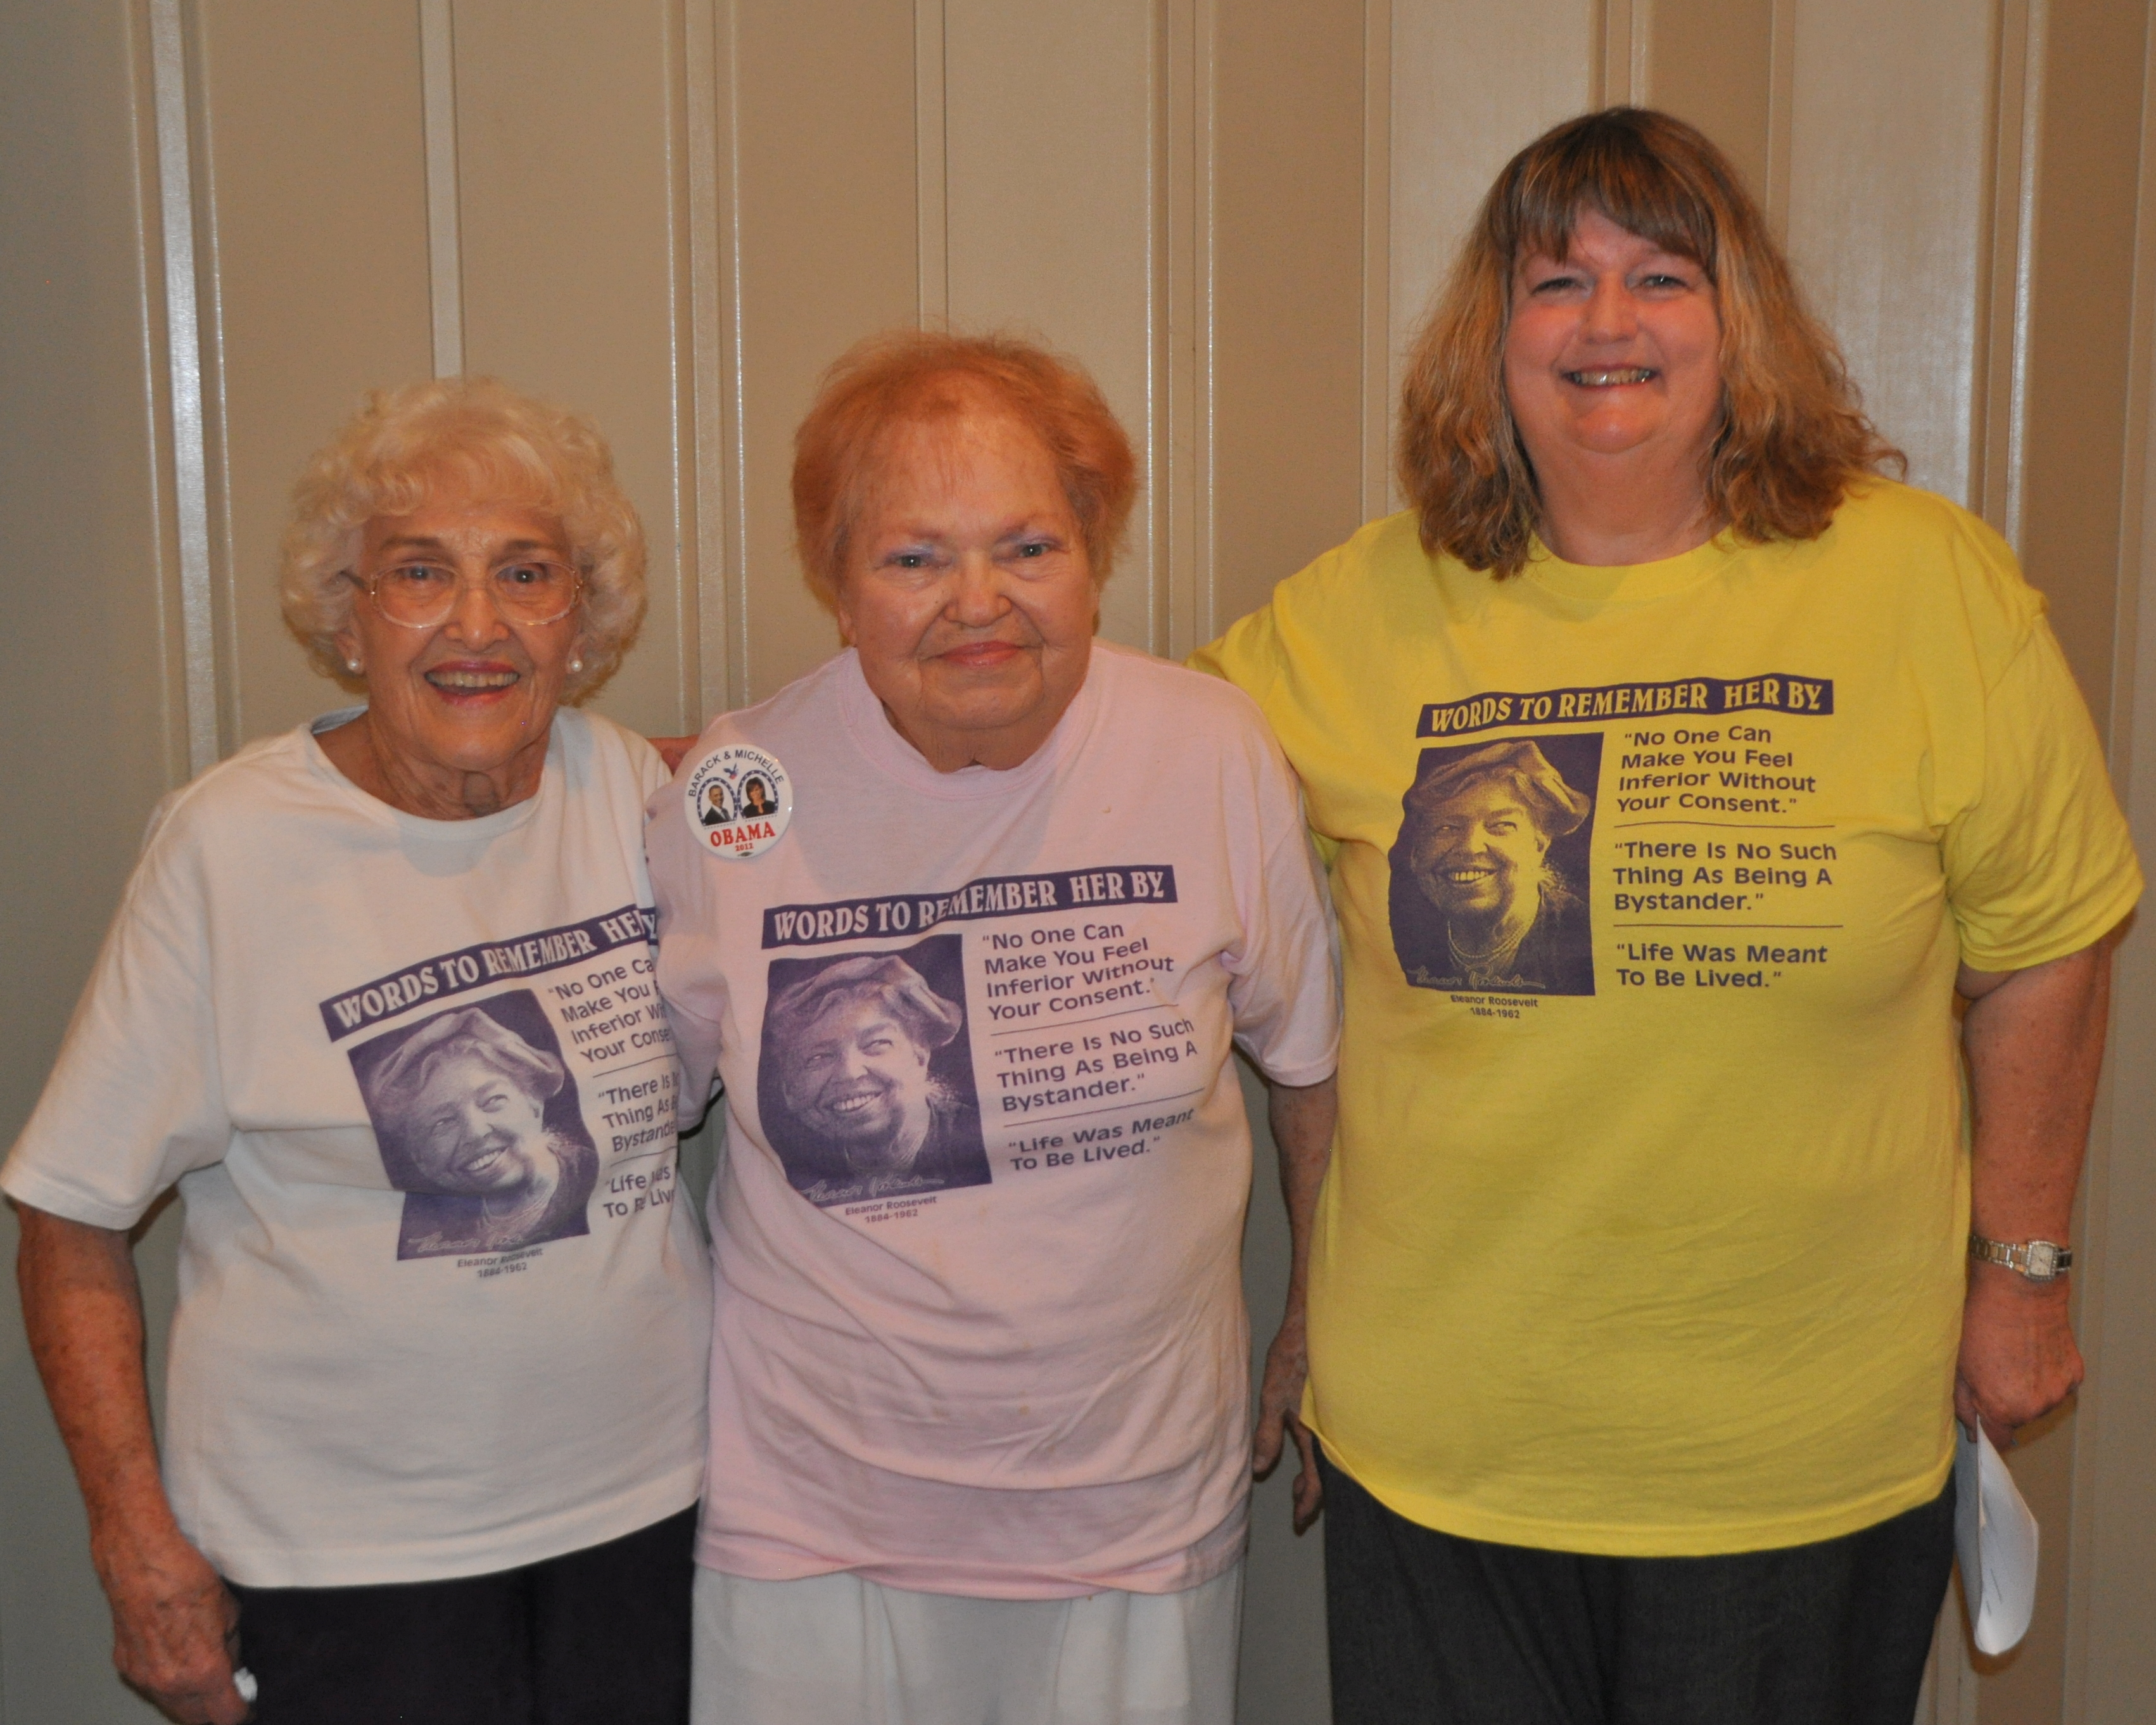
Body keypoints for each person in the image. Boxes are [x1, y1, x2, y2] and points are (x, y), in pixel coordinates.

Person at [1194, 107, 2141, 1722]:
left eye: (1660, 276)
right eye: (1555, 281)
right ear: (1492, 336)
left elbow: (2046, 945)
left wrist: (2025, 1272)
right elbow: (1136, 794)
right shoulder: (1358, 612)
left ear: (1737, 318)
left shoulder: (1924, 583)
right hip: (1445, 1445)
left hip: (1792, 1451)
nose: (1607, 322)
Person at [645, 330, 1339, 1725]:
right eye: (914, 557)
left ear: (1092, 555)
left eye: (1029, 547)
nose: (980, 604)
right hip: (809, 1512)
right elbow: (639, 1109)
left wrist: (1313, 1326)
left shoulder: (1209, 749)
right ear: (837, 586)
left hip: (1134, 1507)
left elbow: (1311, 1074)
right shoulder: (737, 786)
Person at [4, 377, 711, 1725]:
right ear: (347, 613)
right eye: (419, 573)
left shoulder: (626, 788)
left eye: (525, 572)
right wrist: (133, 1538)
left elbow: (812, 814)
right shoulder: (230, 846)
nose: (477, 625)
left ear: (582, 620)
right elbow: (66, 1215)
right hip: (345, 1559)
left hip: (645, 1509)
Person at [365, 1003, 601, 1257]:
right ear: (418, 1155)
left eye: (492, 1100)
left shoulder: (596, 1178)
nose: (476, 1133)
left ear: (534, 1102)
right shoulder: (423, 1231)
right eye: (443, 1123)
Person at [762, 952, 987, 1206]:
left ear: (920, 1054)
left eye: (876, 1044)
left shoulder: (981, 1139)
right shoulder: (787, 1170)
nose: (850, 1073)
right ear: (789, 1088)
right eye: (819, 1057)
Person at [1393, 737, 1594, 993]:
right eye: (1446, 828)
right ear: (1417, 853)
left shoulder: (1584, 933)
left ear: (1540, 845)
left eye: (1501, 825)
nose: (1470, 847)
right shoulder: (1403, 935)